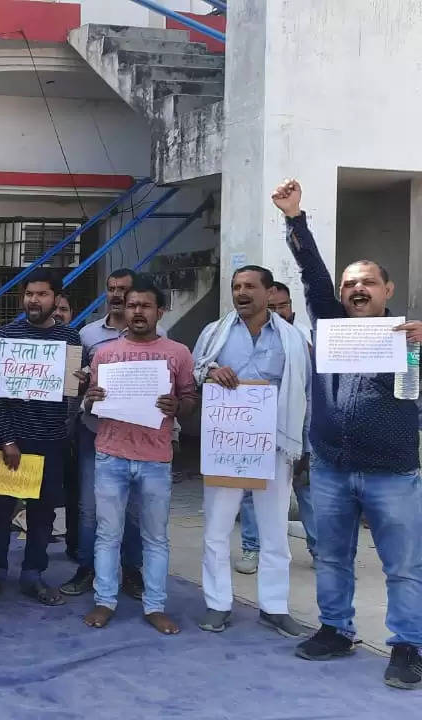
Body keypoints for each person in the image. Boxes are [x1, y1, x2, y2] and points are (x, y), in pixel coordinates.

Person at [272, 178, 422, 689]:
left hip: (393, 474)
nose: (357, 289)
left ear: (388, 291)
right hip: (333, 468)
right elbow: (311, 276)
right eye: (349, 284)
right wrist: (295, 219)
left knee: (403, 566)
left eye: (368, 283)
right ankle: (336, 629)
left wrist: (420, 348)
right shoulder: (329, 323)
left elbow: (413, 393)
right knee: (332, 556)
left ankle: (408, 646)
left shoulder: (409, 339)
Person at [191, 265, 310, 638]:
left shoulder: (292, 338)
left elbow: (305, 394)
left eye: (249, 286)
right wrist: (211, 371)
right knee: (217, 528)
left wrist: (303, 446)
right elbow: (194, 373)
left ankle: (274, 607)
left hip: (274, 445)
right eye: (236, 286)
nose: (241, 292)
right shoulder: (214, 333)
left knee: (275, 531)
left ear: (269, 292)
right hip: (226, 445)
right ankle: (218, 603)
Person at [81, 275, 196, 635]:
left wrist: (179, 405)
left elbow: (191, 400)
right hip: (110, 454)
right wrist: (91, 399)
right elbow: (89, 403)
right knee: (107, 533)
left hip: (155, 458)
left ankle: (155, 605)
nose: (138, 311)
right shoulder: (104, 354)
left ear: (160, 311)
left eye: (146, 305)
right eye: (132, 305)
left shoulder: (178, 353)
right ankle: (104, 600)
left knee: (155, 537)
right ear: (123, 309)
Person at [0, 270, 81, 606]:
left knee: (43, 514)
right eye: (29, 294)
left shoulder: (70, 339)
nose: (33, 301)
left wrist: (82, 382)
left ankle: (33, 575)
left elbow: (71, 394)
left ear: (56, 299)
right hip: (11, 442)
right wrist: (7, 440)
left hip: (51, 441)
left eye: (41, 294)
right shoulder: (5, 336)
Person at [61, 268, 147, 599]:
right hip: (94, 431)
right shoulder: (87, 334)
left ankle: (131, 571)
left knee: (133, 507)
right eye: (110, 288)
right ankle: (87, 568)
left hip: (138, 437)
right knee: (89, 507)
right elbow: (74, 384)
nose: (115, 295)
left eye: (122, 289)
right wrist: (82, 386)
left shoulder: (157, 334)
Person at [266, 280, 317, 559]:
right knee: (255, 491)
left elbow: (314, 391)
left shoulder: (306, 337)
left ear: (291, 307)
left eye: (282, 306)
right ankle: (253, 548)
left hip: (303, 428)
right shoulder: (256, 339)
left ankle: (319, 550)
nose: (277, 311)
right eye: (270, 307)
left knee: (307, 489)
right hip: (260, 428)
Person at [51, 292, 81, 559]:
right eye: (55, 308)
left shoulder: (76, 342)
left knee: (75, 492)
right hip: (37, 431)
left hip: (72, 432)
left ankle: (74, 546)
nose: (58, 313)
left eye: (64, 308)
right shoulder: (23, 341)